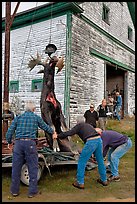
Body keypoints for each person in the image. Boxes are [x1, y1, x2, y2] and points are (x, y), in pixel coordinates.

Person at [6, 101, 57, 198]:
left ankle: (14, 191)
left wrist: (9, 142)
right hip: (30, 144)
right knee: (33, 168)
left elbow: (10, 131)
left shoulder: (18, 118)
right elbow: (45, 127)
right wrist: (53, 132)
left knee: (16, 168)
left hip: (18, 144)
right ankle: (32, 192)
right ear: (33, 109)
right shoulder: (36, 118)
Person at [53, 116, 108, 189]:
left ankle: (80, 182)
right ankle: (104, 180)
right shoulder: (88, 125)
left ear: (77, 122)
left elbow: (69, 133)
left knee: (82, 161)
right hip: (98, 140)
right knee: (100, 161)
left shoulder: (79, 126)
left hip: (91, 141)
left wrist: (57, 136)